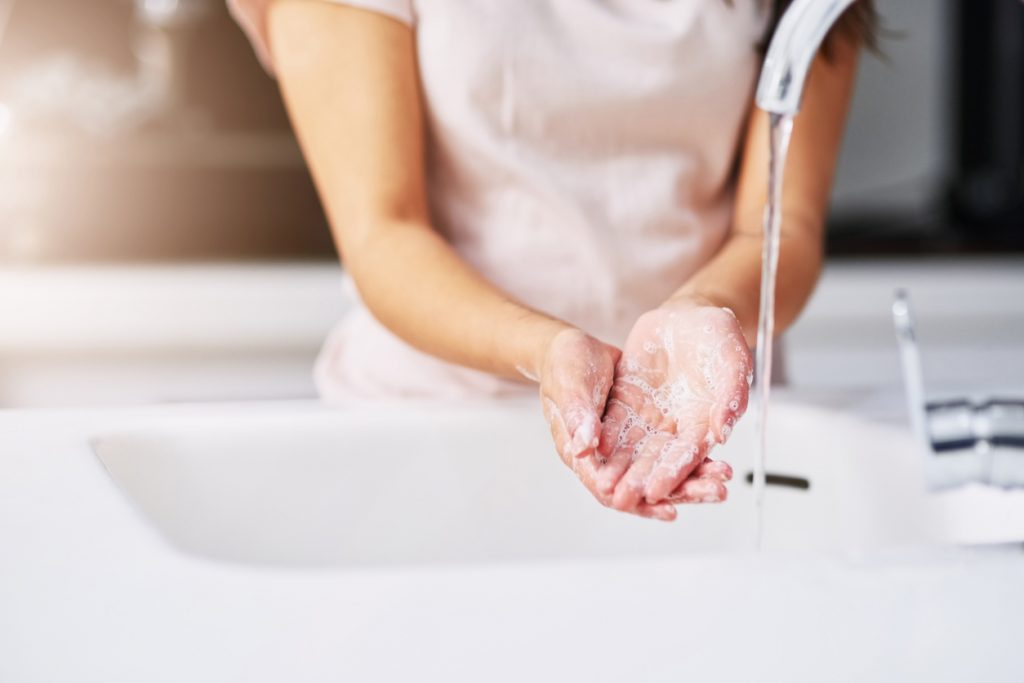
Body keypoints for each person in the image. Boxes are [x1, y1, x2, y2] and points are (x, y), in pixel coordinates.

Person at [228, 0, 875, 522]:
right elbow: (383, 233)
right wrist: (546, 349)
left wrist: (703, 307)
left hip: (697, 435)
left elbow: (782, 226)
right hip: (428, 438)